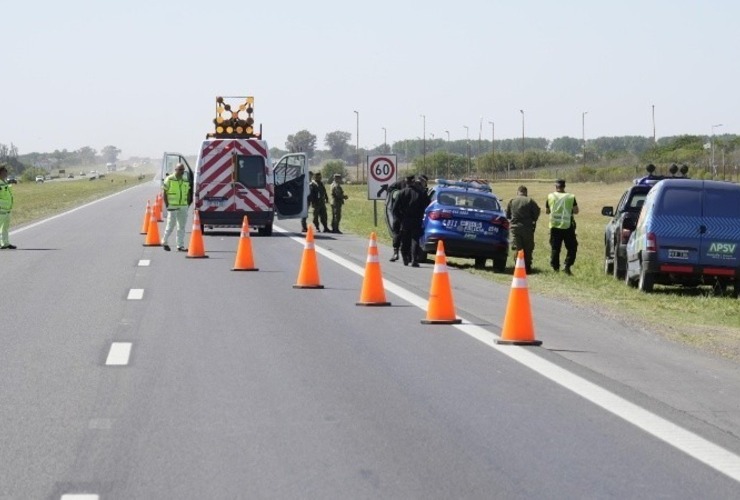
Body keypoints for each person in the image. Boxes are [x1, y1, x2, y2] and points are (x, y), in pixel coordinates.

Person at [545, 179, 579, 275]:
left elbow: (547, 211)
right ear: (564, 186)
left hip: (554, 226)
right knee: (572, 247)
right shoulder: (570, 197)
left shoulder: (550, 196)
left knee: (555, 248)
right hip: (567, 226)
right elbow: (576, 211)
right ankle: (567, 266)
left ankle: (555, 268)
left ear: (556, 186)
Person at [506, 185, 541, 273]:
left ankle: (518, 267)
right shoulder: (530, 201)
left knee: (518, 248)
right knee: (528, 248)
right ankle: (527, 267)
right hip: (527, 228)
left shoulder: (512, 201)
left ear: (518, 192)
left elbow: (508, 215)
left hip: (515, 229)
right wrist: (533, 219)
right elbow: (537, 212)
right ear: (526, 192)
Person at [393, 178, 427, 267]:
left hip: (405, 221)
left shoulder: (401, 193)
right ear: (413, 182)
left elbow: (395, 209)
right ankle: (414, 260)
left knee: (405, 239)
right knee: (415, 240)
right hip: (416, 220)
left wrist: (401, 219)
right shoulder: (420, 194)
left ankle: (405, 258)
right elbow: (426, 205)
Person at [161, 163, 192, 251]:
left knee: (181, 227)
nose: (182, 171)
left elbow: (188, 192)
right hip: (172, 206)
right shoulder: (169, 179)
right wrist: (167, 204)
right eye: (180, 169)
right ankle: (164, 241)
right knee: (170, 225)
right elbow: (165, 192)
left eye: (183, 170)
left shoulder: (185, 180)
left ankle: (180, 245)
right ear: (176, 170)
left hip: (183, 206)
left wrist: (188, 203)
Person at [387, 174, 414, 262]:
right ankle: (396, 253)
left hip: (409, 216)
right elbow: (390, 190)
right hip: (399, 215)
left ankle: (407, 255)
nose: (408, 183)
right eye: (407, 182)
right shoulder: (399, 185)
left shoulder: (416, 189)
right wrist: (396, 194)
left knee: (408, 236)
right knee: (397, 234)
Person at [0, 164, 16, 250]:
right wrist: (4, 204)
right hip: (1, 210)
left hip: (6, 210)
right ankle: (3, 243)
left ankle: (5, 243)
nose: (6, 174)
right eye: (4, 172)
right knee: (1, 228)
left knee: (5, 228)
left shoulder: (4, 183)